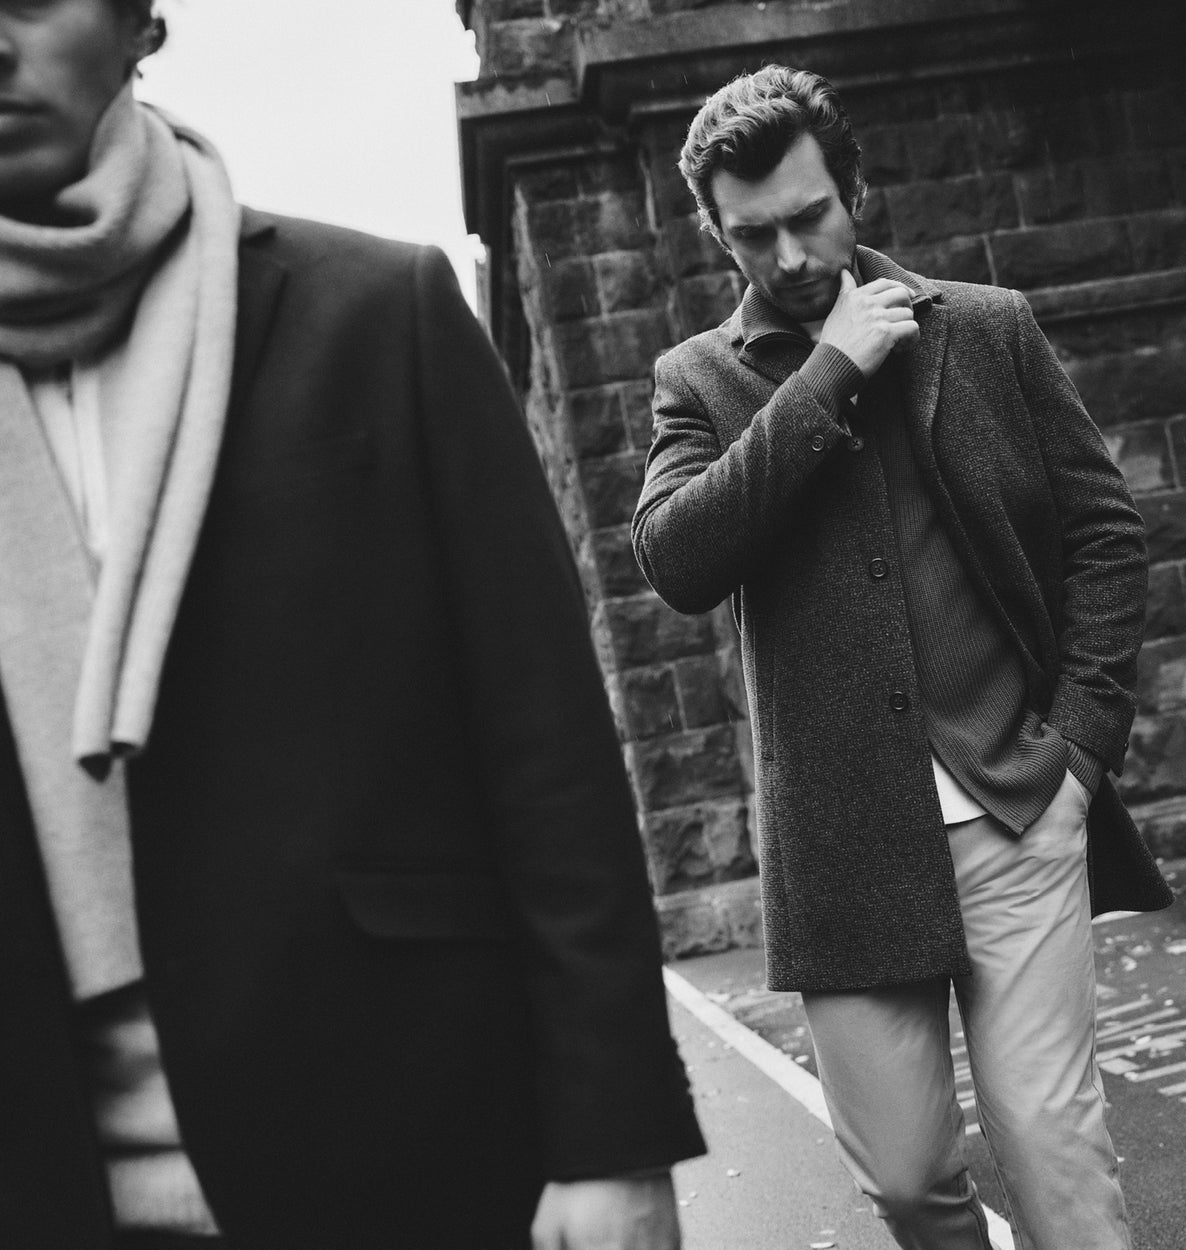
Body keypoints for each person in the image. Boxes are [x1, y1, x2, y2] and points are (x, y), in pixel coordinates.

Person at [0, 2, 703, 1246]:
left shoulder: (377, 311)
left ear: (138, 21)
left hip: (399, 1144)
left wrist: (616, 1134)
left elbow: (543, 747)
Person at [634, 64, 1174, 1250]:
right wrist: (828, 372)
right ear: (718, 234)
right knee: (912, 1180)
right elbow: (676, 560)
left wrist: (1080, 752)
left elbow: (1106, 534)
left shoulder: (989, 329)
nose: (786, 255)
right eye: (752, 233)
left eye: (808, 214)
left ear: (858, 190)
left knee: (1054, 1154)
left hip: (1018, 806)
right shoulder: (701, 381)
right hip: (846, 845)